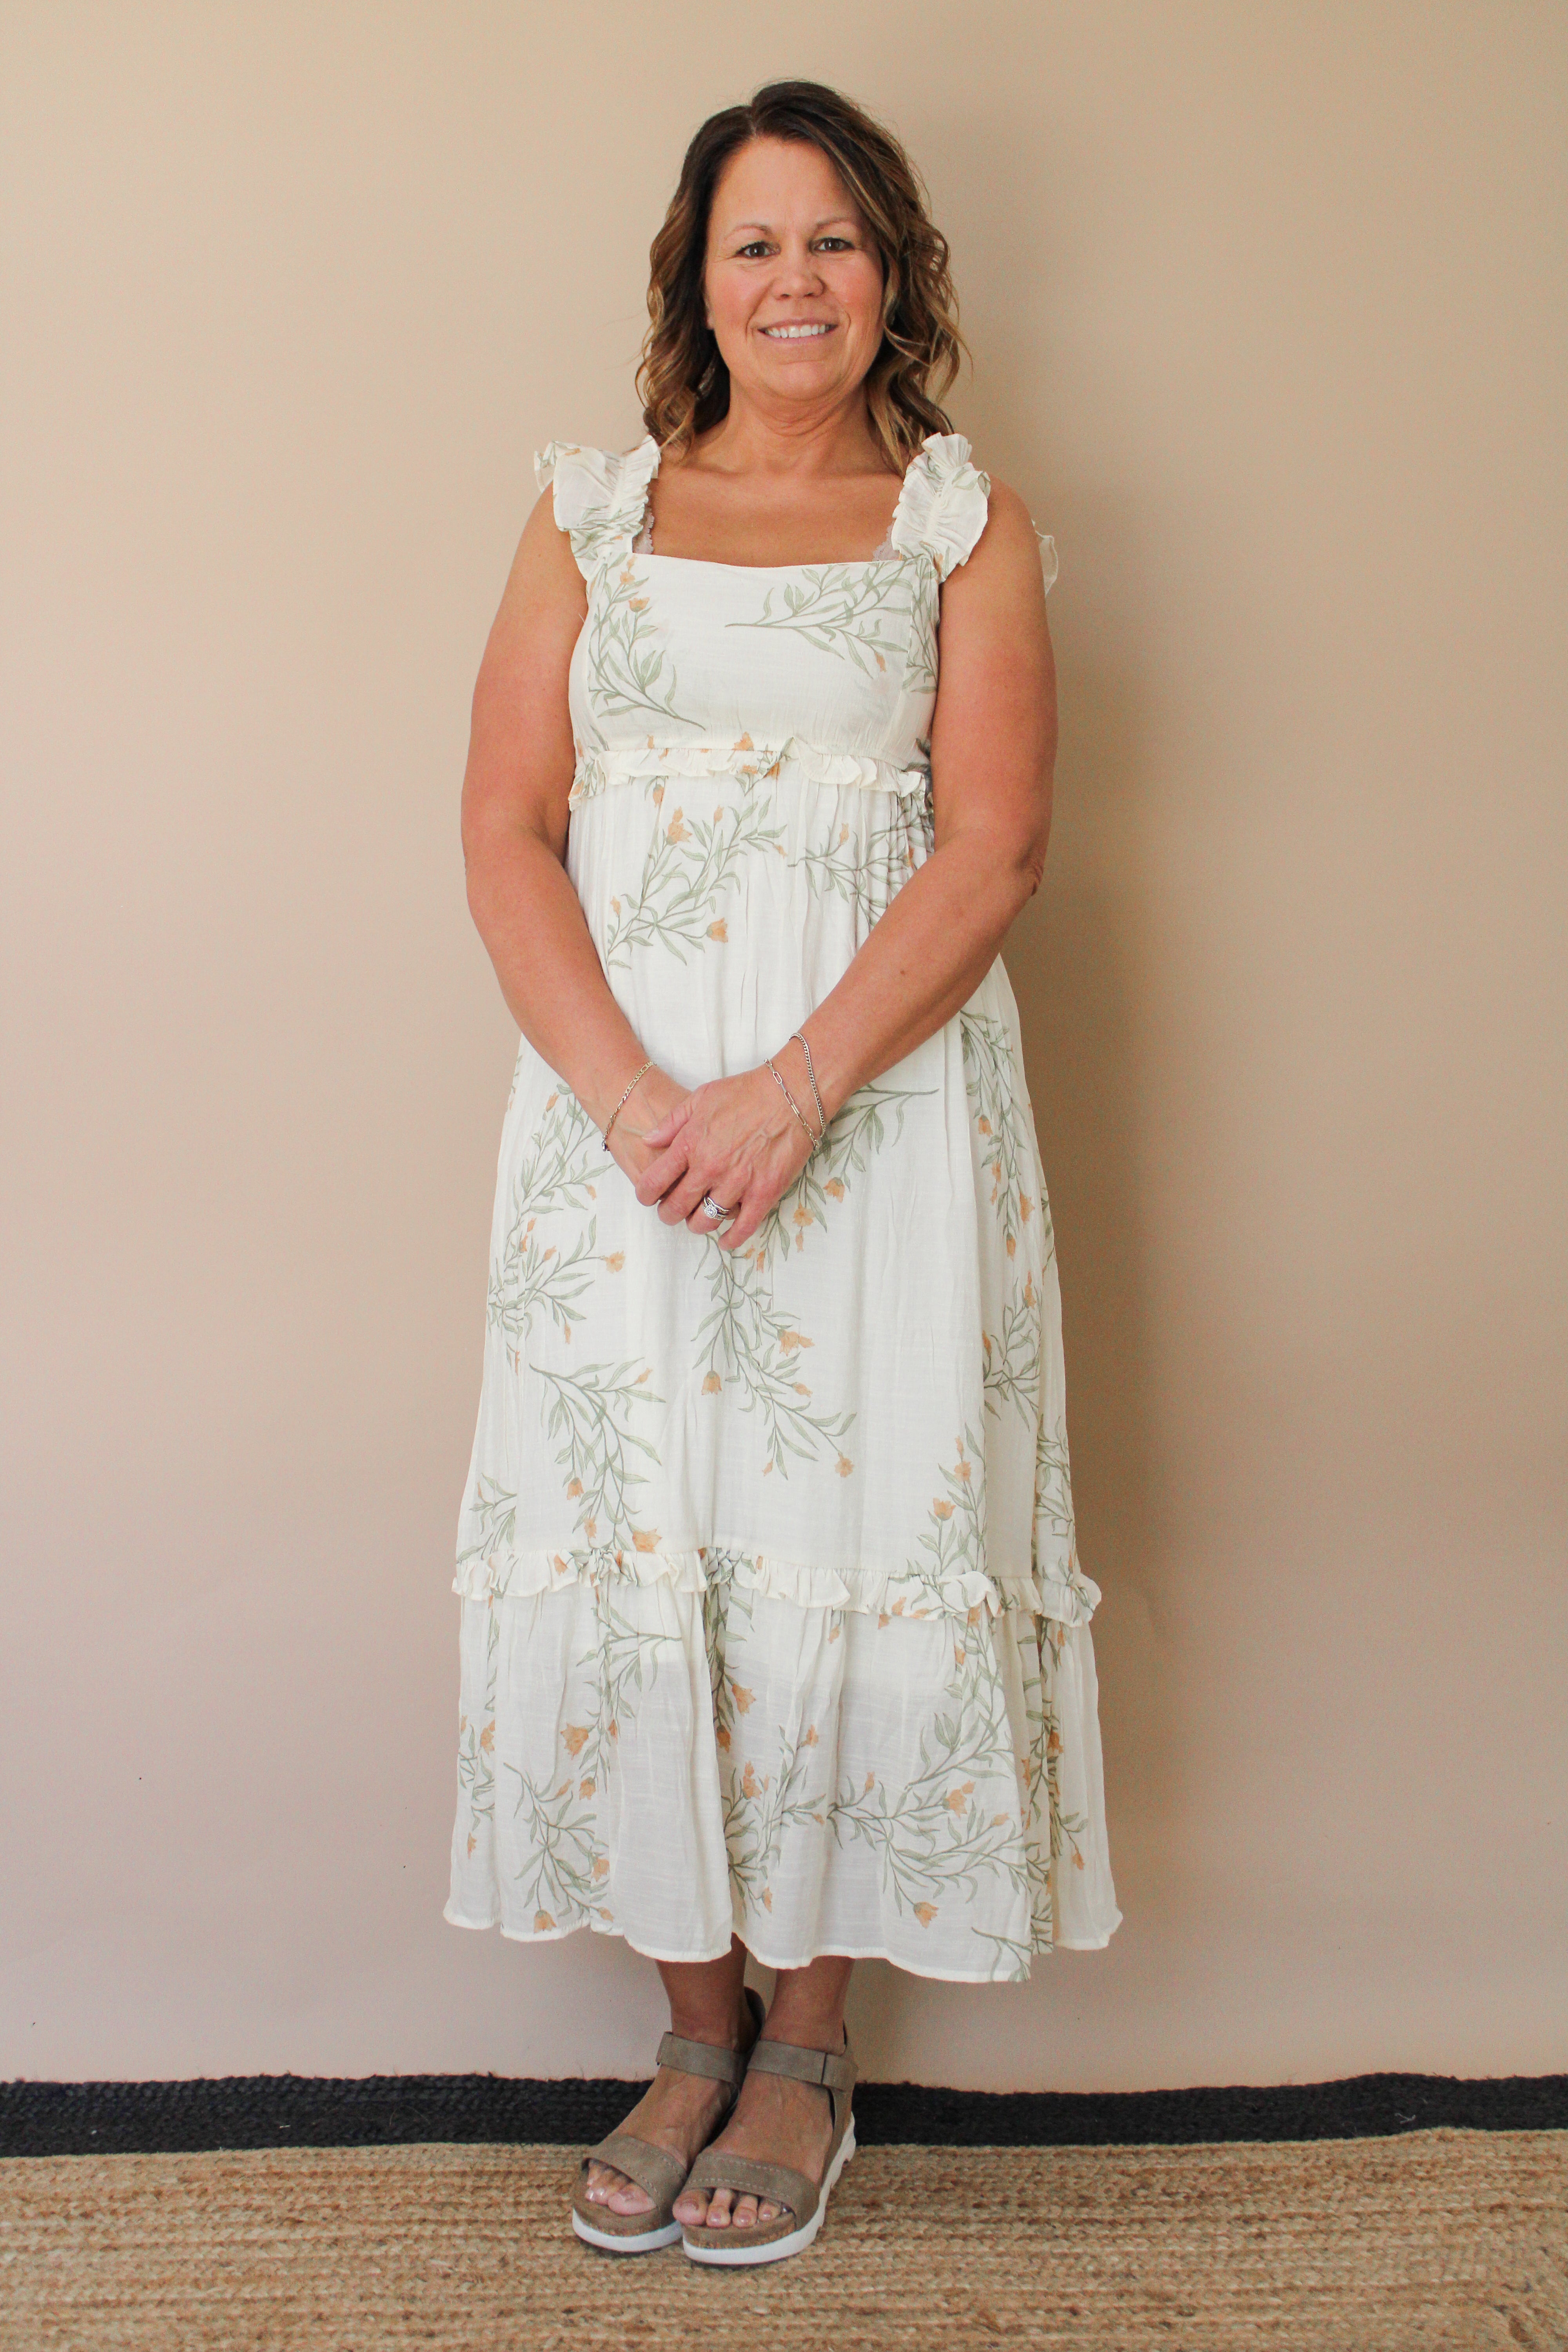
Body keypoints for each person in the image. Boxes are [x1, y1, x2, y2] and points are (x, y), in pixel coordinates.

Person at [446, 78, 1120, 2267]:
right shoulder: (587, 513)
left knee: (846, 1528)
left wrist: (794, 1093)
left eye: (837, 239)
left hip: (877, 1116)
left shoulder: (963, 524)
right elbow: (505, 827)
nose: (797, 279)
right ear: (698, 281)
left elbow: (995, 844)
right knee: (650, 1523)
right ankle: (688, 2026)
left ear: (894, 276)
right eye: (756, 242)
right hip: (620, 1133)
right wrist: (639, 1102)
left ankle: (806, 2048)